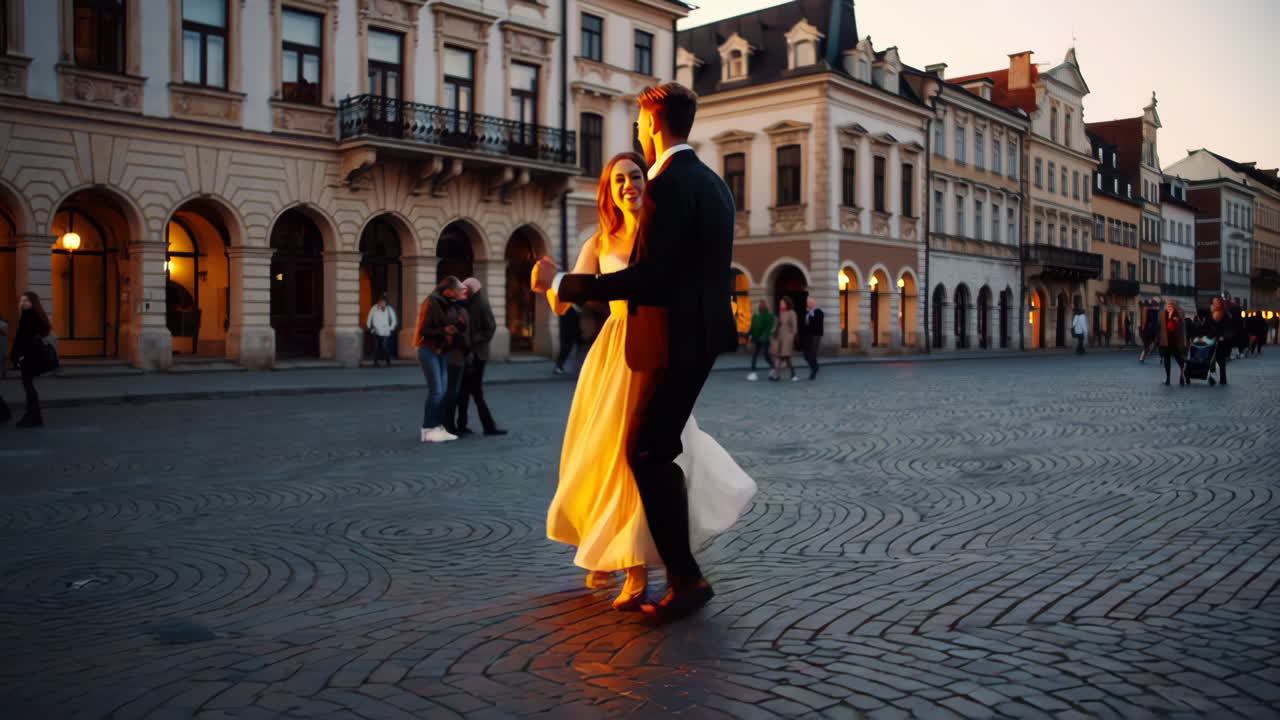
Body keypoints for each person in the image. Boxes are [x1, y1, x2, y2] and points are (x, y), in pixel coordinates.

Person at [534, 83, 748, 623]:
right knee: (652, 450)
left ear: (651, 126)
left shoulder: (668, 183)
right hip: (691, 339)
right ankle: (674, 571)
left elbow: (653, 279)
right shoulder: (715, 185)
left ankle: (684, 577)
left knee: (647, 453)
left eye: (641, 123)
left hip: (665, 340)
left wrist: (562, 280)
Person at [413, 276, 470, 442]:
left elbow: (455, 327)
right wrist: (446, 330)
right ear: (448, 291)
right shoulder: (432, 302)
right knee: (436, 391)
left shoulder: (451, 304)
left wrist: (458, 325)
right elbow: (425, 330)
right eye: (460, 289)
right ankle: (428, 429)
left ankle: (437, 427)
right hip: (429, 350)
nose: (463, 292)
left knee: (443, 391)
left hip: (442, 350)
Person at [455, 277, 507, 437]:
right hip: (467, 354)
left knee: (474, 392)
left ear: (473, 289)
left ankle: (485, 426)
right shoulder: (467, 303)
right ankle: (467, 425)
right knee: (465, 392)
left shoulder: (481, 303)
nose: (463, 291)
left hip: (478, 355)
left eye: (466, 288)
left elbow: (490, 327)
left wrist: (474, 339)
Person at [11, 291, 53, 428]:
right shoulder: (38, 315)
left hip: (27, 357)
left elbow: (23, 338)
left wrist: (19, 356)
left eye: (26, 301)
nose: (23, 303)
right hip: (33, 356)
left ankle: (32, 416)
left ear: (32, 302)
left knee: (28, 387)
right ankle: (34, 415)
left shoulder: (28, 316)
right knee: (29, 387)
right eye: (22, 300)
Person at [1201, 297, 1235, 386]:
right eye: (1214, 303)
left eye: (1217, 303)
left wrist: (1223, 336)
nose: (1215, 305)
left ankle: (1223, 379)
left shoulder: (1225, 314)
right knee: (1210, 360)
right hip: (1210, 339)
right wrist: (1204, 336)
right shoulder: (1210, 314)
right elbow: (1205, 326)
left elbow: (1228, 327)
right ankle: (1212, 377)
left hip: (1221, 341)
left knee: (1221, 361)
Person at [1158, 300, 1188, 386]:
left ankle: (1182, 375)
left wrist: (1171, 316)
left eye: (1170, 306)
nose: (1168, 307)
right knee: (1167, 360)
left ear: (1174, 306)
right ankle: (1168, 378)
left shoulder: (1179, 314)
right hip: (1165, 341)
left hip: (1176, 341)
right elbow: (1160, 326)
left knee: (1179, 359)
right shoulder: (1163, 314)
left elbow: (1174, 326)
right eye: (1167, 306)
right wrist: (1158, 338)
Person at [769, 296, 798, 381]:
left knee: (785, 357)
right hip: (778, 338)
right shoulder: (778, 313)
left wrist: (791, 337)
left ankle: (790, 374)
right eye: (780, 303)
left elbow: (794, 327)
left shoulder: (791, 313)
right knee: (779, 357)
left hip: (786, 339)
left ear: (787, 304)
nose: (781, 304)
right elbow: (775, 325)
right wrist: (771, 333)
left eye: (782, 303)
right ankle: (779, 375)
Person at [366, 293, 398, 367]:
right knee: (376, 347)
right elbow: (369, 318)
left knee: (385, 347)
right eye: (380, 302)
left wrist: (390, 328)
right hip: (376, 331)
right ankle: (375, 363)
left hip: (385, 332)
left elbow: (394, 320)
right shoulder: (374, 308)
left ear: (386, 303)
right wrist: (370, 328)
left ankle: (388, 362)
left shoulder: (389, 309)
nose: (381, 303)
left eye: (383, 302)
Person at [745, 300, 774, 382]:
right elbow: (769, 327)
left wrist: (749, 338)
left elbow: (753, 328)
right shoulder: (770, 316)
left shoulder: (756, 316)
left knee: (755, 355)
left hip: (758, 338)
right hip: (765, 338)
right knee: (765, 354)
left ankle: (753, 372)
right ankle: (773, 368)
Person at [554, 304, 581, 375]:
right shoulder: (568, 310)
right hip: (567, 333)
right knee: (565, 350)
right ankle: (559, 366)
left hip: (570, 333)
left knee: (567, 350)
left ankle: (560, 366)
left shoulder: (571, 310)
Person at [801, 297, 824, 380]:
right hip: (807, 336)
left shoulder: (819, 312)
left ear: (813, 304)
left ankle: (813, 371)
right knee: (806, 354)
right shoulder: (807, 313)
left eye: (808, 303)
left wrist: (810, 315)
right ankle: (815, 367)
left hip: (815, 336)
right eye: (807, 302)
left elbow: (817, 323)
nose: (807, 304)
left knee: (812, 354)